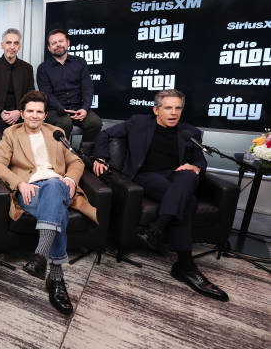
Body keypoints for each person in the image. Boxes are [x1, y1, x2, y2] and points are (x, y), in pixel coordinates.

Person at [92, 89, 228, 301]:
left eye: (178, 108)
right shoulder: (138, 123)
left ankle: (157, 228)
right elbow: (104, 134)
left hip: (177, 177)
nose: (174, 113)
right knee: (188, 200)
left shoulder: (190, 132)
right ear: (156, 110)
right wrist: (100, 157)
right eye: (168, 108)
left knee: (188, 176)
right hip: (147, 177)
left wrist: (196, 167)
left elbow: (200, 160)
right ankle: (185, 265)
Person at [0, 90, 91, 316]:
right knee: (58, 213)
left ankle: (40, 254)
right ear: (22, 113)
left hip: (60, 186)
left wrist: (70, 179)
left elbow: (76, 161)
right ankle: (56, 277)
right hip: (31, 190)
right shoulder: (11, 134)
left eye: (39, 112)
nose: (34, 115)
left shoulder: (56, 132)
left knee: (54, 185)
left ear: (45, 115)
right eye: (30, 111)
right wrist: (19, 183)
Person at [37, 28, 102, 143]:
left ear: (67, 43)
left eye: (61, 41)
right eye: (54, 43)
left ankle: (84, 152)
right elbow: (47, 94)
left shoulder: (80, 62)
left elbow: (87, 88)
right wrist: (62, 110)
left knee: (95, 122)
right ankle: (61, 152)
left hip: (78, 108)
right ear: (49, 48)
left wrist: (85, 108)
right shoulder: (43, 68)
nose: (58, 45)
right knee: (65, 123)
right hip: (55, 110)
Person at [0, 28, 35, 143]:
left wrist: (19, 111)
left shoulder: (27, 68)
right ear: (2, 45)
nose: (12, 47)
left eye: (16, 43)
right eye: (8, 43)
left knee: (25, 138)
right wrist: (0, 111)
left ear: (19, 46)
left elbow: (30, 95)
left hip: (19, 113)